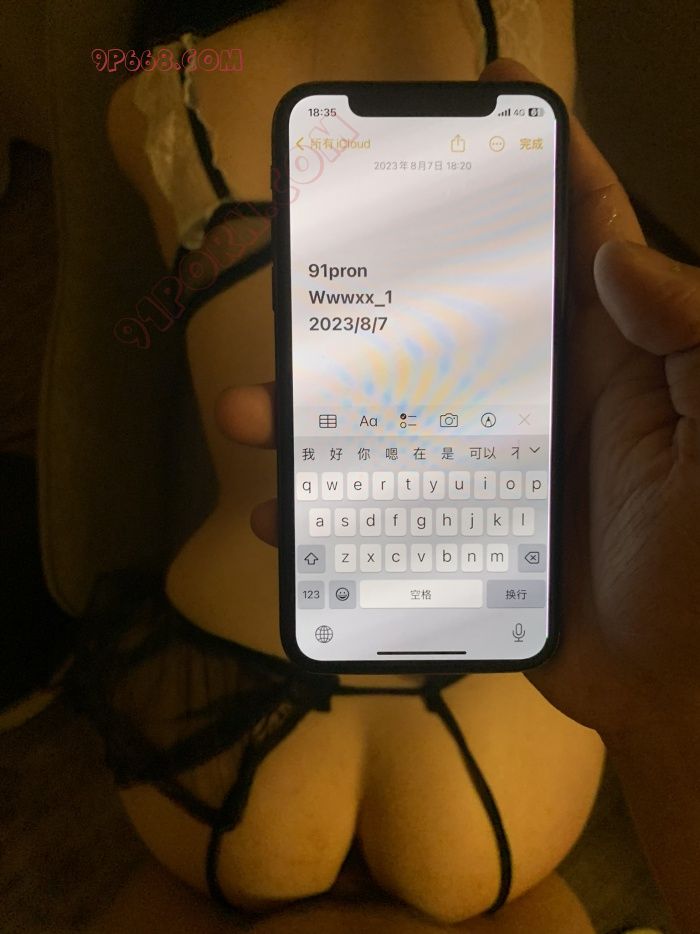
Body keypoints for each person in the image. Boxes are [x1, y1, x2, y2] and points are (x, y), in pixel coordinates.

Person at [67, 3, 694, 932]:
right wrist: (675, 703)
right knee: (531, 911)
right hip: (502, 699)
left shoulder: (166, 79)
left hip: (239, 670)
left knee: (170, 904)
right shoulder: (522, 31)